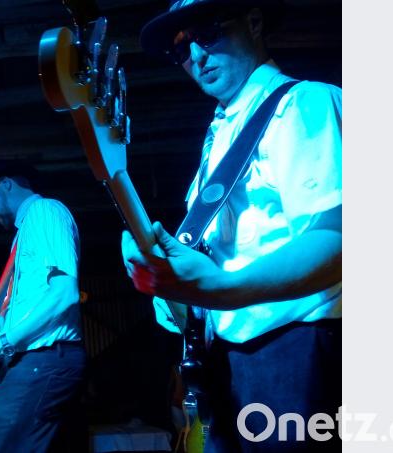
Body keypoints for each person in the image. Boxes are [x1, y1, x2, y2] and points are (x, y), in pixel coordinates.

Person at [123, 0, 342, 451]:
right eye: (181, 50)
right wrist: (174, 289)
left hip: (298, 345)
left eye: (206, 33)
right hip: (230, 359)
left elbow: (339, 239)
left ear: (255, 21)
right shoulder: (218, 139)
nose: (196, 57)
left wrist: (223, 289)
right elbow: (215, 269)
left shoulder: (305, 103)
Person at [0, 160, 86, 453]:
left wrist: (1, 342)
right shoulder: (25, 231)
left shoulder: (44, 211)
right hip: (35, 358)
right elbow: (35, 301)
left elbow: (65, 292)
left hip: (46, 357)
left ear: (6, 184)